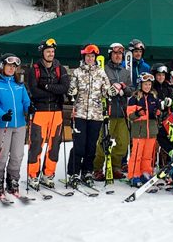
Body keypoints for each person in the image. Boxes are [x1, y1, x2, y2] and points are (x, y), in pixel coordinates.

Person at [24, 38, 70, 189]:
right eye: (48, 51)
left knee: (54, 146)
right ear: (42, 52)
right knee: (36, 145)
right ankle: (33, 175)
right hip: (40, 112)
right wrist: (53, 90)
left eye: (52, 51)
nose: (51, 54)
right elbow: (34, 91)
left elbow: (64, 88)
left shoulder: (60, 69)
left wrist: (46, 86)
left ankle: (48, 174)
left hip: (56, 111)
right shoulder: (34, 69)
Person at [0, 54, 32, 197]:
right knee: (2, 154)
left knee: (17, 155)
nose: (11, 68)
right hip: (3, 125)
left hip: (20, 124)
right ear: (2, 66)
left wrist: (29, 108)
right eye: (9, 65)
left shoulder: (19, 85)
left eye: (14, 66)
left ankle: (12, 180)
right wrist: (2, 114)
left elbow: (25, 102)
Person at [66, 45, 106, 187]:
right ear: (84, 57)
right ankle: (74, 173)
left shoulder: (101, 72)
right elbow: (70, 92)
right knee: (79, 145)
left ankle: (87, 171)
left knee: (91, 146)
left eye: (92, 56)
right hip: (80, 114)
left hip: (96, 115)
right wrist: (72, 90)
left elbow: (106, 91)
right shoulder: (77, 72)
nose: (90, 59)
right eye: (88, 56)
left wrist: (115, 89)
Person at [94, 42, 133, 180]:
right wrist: (109, 90)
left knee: (123, 142)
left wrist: (123, 90)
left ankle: (115, 166)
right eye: (115, 53)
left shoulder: (125, 72)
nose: (118, 56)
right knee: (102, 142)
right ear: (110, 54)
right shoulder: (103, 69)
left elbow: (131, 90)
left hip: (121, 112)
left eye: (120, 54)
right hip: (107, 112)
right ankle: (97, 168)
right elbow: (97, 89)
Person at [126, 73, 162, 187]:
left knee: (148, 155)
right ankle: (134, 175)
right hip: (139, 131)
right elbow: (130, 116)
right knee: (137, 155)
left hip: (151, 131)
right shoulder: (134, 98)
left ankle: (145, 173)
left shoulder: (154, 97)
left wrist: (158, 113)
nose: (147, 86)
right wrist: (137, 113)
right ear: (140, 84)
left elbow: (159, 112)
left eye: (149, 84)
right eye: (145, 84)